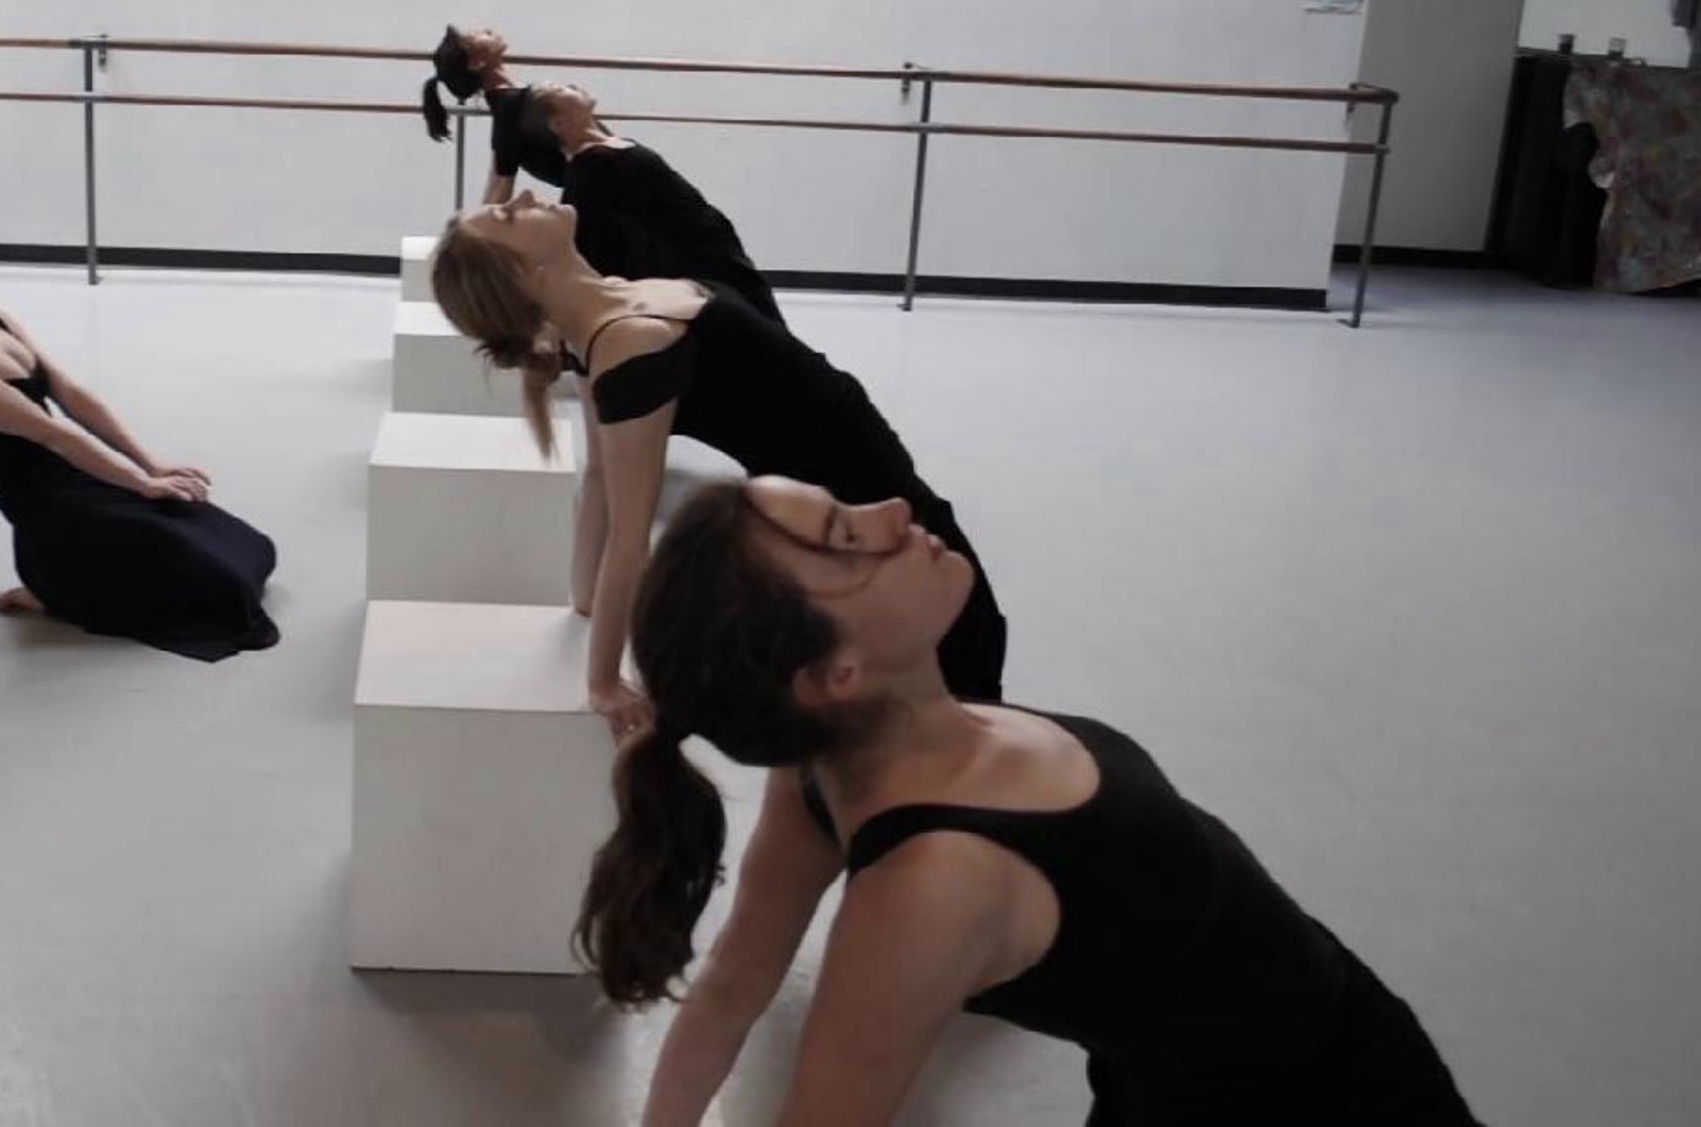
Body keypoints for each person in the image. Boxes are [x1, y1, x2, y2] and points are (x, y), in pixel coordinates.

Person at [576, 475, 1485, 1126]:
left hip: (1282, 1049)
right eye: (849, 539)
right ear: (834, 675)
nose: (895, 512)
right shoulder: (933, 880)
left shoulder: (822, 768)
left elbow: (732, 987)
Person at [429, 199, 1004, 736]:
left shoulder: (611, 309)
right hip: (857, 497)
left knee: (965, 641)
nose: (525, 196)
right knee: (968, 641)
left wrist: (584, 597)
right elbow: (630, 530)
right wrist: (602, 682)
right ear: (527, 274)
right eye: (509, 215)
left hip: (865, 478)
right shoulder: (627, 345)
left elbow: (600, 474)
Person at [0, 219, 279, 661]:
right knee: (227, 589)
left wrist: (151, 465)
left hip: (88, 480)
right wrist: (142, 485)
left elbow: (70, 396)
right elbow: (54, 434)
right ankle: (52, 591)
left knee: (255, 550)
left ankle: (74, 585)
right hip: (57, 526)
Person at [527, 80, 784, 326]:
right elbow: (586, 237)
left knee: (755, 308)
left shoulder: (600, 145)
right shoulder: (588, 167)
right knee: (750, 313)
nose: (572, 86)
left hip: (708, 239)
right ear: (557, 124)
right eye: (561, 89)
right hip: (692, 253)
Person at [419, 25, 576, 203]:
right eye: (475, 36)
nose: (486, 29)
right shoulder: (511, 107)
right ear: (477, 63)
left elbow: (499, 170)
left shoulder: (511, 104)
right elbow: (501, 181)